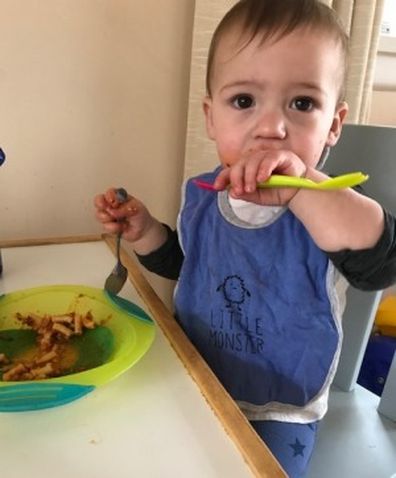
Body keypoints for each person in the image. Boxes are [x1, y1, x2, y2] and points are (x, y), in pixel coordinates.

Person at [94, 1, 396, 476]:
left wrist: (303, 190)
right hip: (194, 378)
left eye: (302, 104)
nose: (273, 128)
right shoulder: (203, 195)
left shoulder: (331, 205)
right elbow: (190, 266)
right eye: (243, 101)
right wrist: (147, 231)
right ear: (212, 118)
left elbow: (380, 264)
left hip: (279, 408)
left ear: (333, 125)